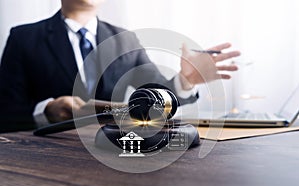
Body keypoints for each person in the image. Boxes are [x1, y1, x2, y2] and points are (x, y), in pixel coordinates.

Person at [0, 0, 240, 132]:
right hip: (45, 155)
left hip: (112, 148)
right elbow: (6, 112)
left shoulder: (125, 40)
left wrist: (185, 80)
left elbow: (156, 93)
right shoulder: (24, 38)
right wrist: (45, 111)